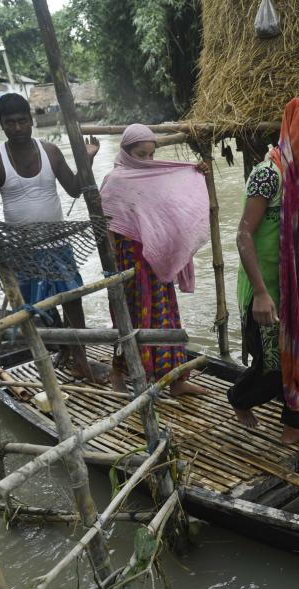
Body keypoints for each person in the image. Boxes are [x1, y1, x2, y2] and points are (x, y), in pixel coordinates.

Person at [227, 98, 299, 446]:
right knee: (273, 367)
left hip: (294, 286)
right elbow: (244, 234)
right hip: (266, 287)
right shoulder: (268, 174)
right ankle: (239, 398)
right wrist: (261, 294)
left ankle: (294, 424)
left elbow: (287, 224)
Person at [0, 92, 110, 384]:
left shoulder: (50, 152)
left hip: (57, 243)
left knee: (72, 297)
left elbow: (75, 189)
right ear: (1, 125)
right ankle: (62, 347)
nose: (17, 128)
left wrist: (86, 160)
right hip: (21, 248)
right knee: (37, 306)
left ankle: (80, 360)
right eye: (10, 123)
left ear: (32, 120)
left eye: (22, 121)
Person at [99, 124, 211, 396]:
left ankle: (176, 379)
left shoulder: (155, 177)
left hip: (155, 260)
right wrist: (112, 267)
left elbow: (174, 202)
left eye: (151, 155)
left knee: (165, 315)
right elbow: (106, 226)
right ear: (126, 152)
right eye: (141, 154)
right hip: (129, 262)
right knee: (131, 319)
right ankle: (118, 372)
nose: (148, 161)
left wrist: (195, 173)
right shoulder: (115, 180)